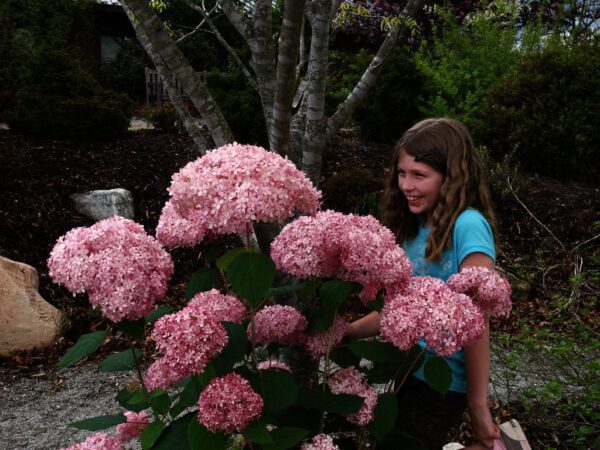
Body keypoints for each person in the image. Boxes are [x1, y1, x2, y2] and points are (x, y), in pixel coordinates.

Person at [346, 118, 501, 449]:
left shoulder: (468, 226)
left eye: (419, 175)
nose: (406, 185)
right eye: (401, 173)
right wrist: (347, 332)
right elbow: (397, 309)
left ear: (450, 177)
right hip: (407, 372)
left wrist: (477, 405)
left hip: (444, 383)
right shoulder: (413, 226)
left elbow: (477, 321)